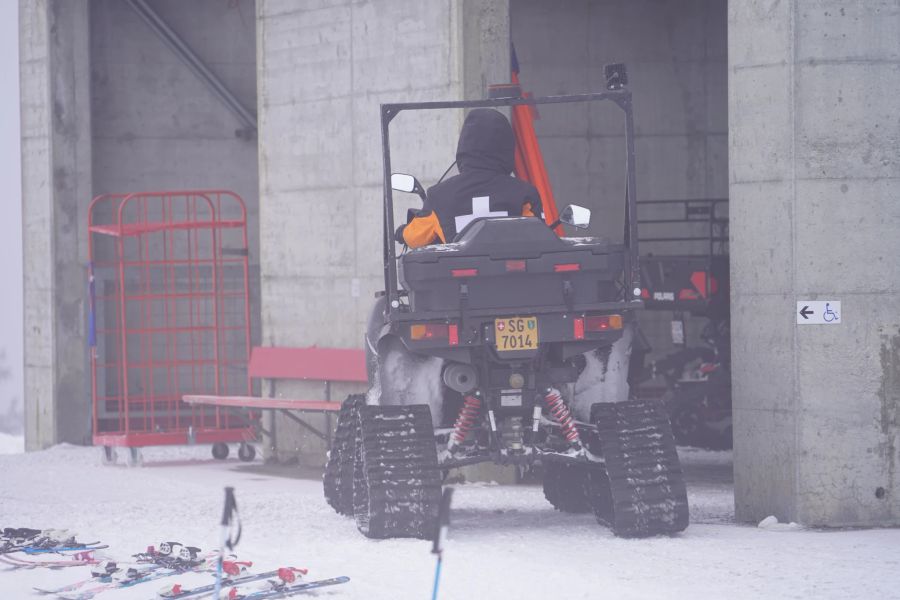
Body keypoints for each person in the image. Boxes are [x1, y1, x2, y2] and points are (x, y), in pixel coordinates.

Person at [394, 108, 543, 248]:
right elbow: (538, 235)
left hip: (457, 275)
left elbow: (415, 238)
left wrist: (402, 233)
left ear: (464, 145)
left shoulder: (439, 197)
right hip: (513, 275)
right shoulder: (524, 193)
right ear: (507, 147)